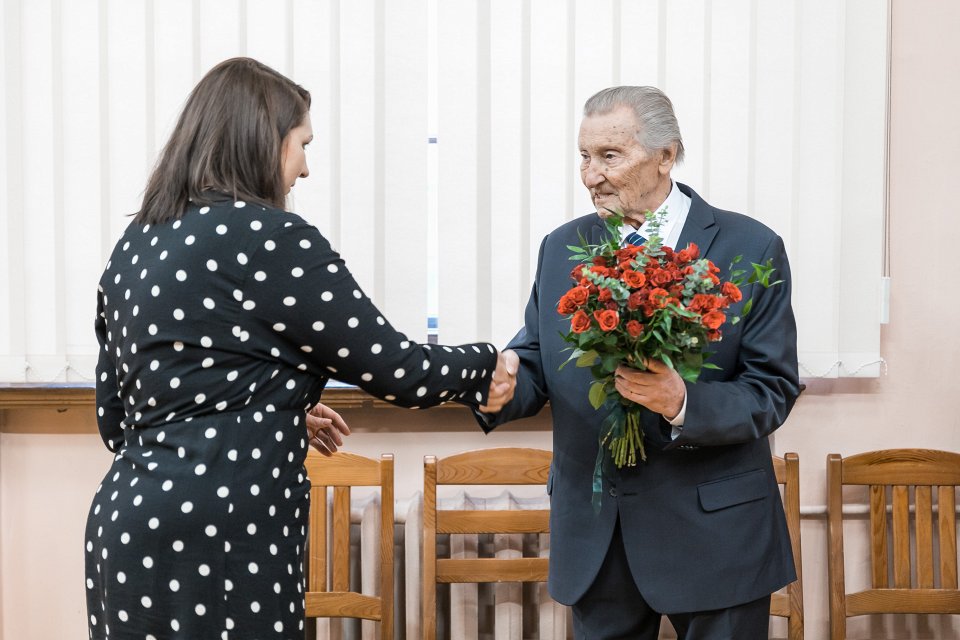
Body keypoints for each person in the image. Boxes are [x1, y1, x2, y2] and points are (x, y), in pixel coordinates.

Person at [85, 57, 516, 640]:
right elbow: (399, 370)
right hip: (221, 533)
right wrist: (486, 363)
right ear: (262, 141)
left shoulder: (134, 245)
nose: (305, 169)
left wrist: (268, 411)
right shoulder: (268, 236)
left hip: (126, 526)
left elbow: (120, 419)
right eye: (301, 144)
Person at [479, 86, 800, 638]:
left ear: (666, 156)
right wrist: (501, 383)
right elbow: (536, 358)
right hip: (597, 538)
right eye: (584, 156)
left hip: (717, 536)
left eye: (610, 156)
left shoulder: (751, 246)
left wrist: (684, 403)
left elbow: (772, 388)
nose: (590, 175)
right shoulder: (561, 246)